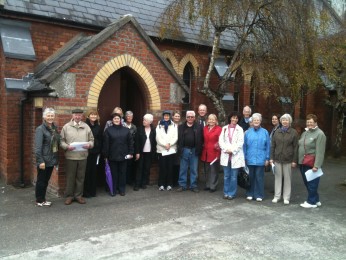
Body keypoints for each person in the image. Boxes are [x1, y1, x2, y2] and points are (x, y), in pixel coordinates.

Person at [60, 109, 94, 205]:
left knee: (81, 177)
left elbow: (92, 140)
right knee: (70, 177)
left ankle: (78, 196)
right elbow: (61, 141)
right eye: (76, 115)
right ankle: (69, 196)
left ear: (82, 116)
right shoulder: (66, 127)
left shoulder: (86, 127)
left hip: (82, 156)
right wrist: (67, 147)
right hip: (71, 156)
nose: (78, 117)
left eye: (79, 115)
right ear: (73, 115)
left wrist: (89, 145)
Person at [298, 114, 326, 208]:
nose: (309, 124)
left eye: (311, 122)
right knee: (307, 182)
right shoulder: (305, 133)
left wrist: (316, 165)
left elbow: (320, 151)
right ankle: (316, 199)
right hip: (303, 162)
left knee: (312, 183)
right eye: (308, 122)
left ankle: (311, 202)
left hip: (312, 163)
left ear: (315, 123)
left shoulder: (320, 134)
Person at [270, 114, 298, 205]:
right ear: (281, 121)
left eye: (287, 120)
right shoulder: (277, 132)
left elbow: (295, 147)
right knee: (277, 178)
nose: (285, 122)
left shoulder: (294, 132)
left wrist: (294, 160)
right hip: (277, 159)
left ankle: (286, 197)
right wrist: (271, 158)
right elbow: (273, 146)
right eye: (283, 120)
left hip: (288, 159)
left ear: (289, 122)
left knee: (287, 179)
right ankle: (277, 196)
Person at [103, 113, 134, 196]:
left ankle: (122, 189)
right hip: (112, 156)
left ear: (121, 120)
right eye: (115, 118)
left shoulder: (126, 130)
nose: (116, 120)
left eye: (118, 118)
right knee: (113, 174)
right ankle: (113, 189)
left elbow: (130, 142)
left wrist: (131, 152)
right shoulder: (108, 130)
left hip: (124, 156)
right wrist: (105, 156)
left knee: (122, 173)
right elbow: (106, 144)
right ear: (112, 120)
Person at [34, 107, 60, 207]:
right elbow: (38, 147)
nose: (50, 117)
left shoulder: (54, 128)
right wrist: (40, 161)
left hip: (51, 159)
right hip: (44, 160)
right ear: (44, 117)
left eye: (52, 116)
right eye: (48, 116)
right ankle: (39, 200)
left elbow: (58, 141)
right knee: (41, 181)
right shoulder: (40, 129)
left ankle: (43, 199)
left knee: (45, 181)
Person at [243, 113, 270, 201]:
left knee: (259, 177)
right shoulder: (247, 133)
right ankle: (250, 193)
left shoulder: (265, 132)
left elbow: (268, 146)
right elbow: (244, 146)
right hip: (250, 158)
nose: (256, 122)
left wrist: (267, 158)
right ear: (252, 122)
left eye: (258, 120)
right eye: (254, 120)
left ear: (260, 121)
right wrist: (245, 157)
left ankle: (259, 195)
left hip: (261, 158)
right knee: (250, 177)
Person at [219, 112, 245, 199]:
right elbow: (221, 141)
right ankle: (226, 192)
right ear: (230, 118)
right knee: (226, 176)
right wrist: (226, 150)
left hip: (235, 155)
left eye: (236, 118)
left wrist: (232, 150)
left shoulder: (240, 129)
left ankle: (231, 193)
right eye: (233, 118)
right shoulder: (224, 128)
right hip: (226, 155)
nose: (234, 120)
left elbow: (240, 142)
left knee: (234, 176)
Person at [177, 110, 204, 192]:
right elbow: (179, 139)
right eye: (188, 117)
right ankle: (182, 185)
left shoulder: (199, 126)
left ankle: (193, 185)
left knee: (194, 169)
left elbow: (202, 138)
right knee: (183, 169)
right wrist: (180, 149)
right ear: (186, 118)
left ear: (194, 118)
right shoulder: (181, 126)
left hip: (194, 150)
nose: (190, 118)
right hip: (184, 149)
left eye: (192, 117)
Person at [156, 110, 178, 191]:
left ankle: (169, 184)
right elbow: (158, 137)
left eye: (168, 116)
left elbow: (175, 137)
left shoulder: (174, 125)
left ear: (170, 117)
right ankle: (161, 184)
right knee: (162, 167)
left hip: (171, 149)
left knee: (170, 167)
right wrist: (164, 144)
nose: (166, 117)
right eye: (165, 116)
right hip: (162, 149)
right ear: (163, 116)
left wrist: (169, 144)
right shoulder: (159, 125)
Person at [134, 114, 156, 191]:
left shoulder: (153, 130)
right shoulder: (139, 129)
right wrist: (137, 152)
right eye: (143, 120)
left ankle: (143, 183)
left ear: (150, 122)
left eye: (145, 120)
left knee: (146, 168)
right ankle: (137, 184)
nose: (143, 121)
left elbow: (154, 142)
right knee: (139, 168)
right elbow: (136, 142)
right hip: (141, 152)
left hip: (149, 153)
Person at [200, 114, 222, 192]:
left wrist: (218, 151)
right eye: (209, 119)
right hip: (205, 151)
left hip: (214, 152)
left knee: (214, 170)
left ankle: (213, 186)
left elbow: (221, 141)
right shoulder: (205, 128)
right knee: (207, 169)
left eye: (213, 119)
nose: (211, 121)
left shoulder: (219, 129)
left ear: (216, 121)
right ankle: (207, 185)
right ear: (207, 121)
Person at [83, 109, 102, 198]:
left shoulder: (98, 126)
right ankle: (86, 192)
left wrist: (99, 150)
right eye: (92, 115)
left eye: (95, 115)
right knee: (87, 171)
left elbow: (100, 139)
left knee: (93, 172)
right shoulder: (85, 126)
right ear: (88, 116)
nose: (93, 116)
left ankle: (92, 191)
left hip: (95, 152)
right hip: (87, 152)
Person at [124, 111, 137, 185]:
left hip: (131, 148)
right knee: (124, 164)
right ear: (126, 117)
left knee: (130, 165)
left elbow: (135, 139)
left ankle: (128, 180)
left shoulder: (134, 127)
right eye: (128, 116)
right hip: (123, 148)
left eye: (131, 116)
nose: (130, 118)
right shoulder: (123, 125)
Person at [172, 110, 182, 186]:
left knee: (178, 164)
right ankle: (172, 181)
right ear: (173, 117)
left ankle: (177, 181)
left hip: (179, 147)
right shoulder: (170, 125)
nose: (177, 117)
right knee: (172, 164)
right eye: (176, 116)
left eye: (178, 116)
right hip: (171, 146)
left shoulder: (181, 125)